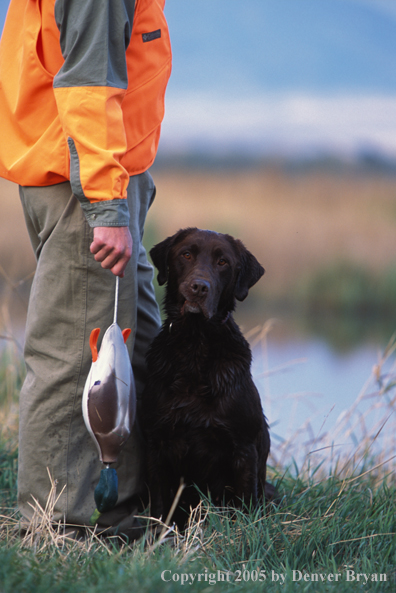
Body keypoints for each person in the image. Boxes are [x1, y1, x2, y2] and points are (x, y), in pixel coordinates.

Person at [0, 0, 171, 539]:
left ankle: (124, 514)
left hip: (102, 178)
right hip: (88, 188)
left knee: (136, 342)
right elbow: (87, 90)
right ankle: (57, 529)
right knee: (78, 356)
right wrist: (105, 208)